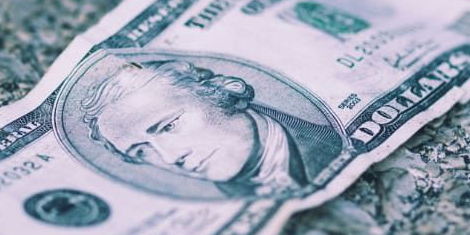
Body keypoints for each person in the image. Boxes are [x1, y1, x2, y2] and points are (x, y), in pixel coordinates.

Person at [79, 59, 341, 198]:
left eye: (169, 126)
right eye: (141, 152)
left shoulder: (333, 143)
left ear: (221, 93)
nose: (171, 158)